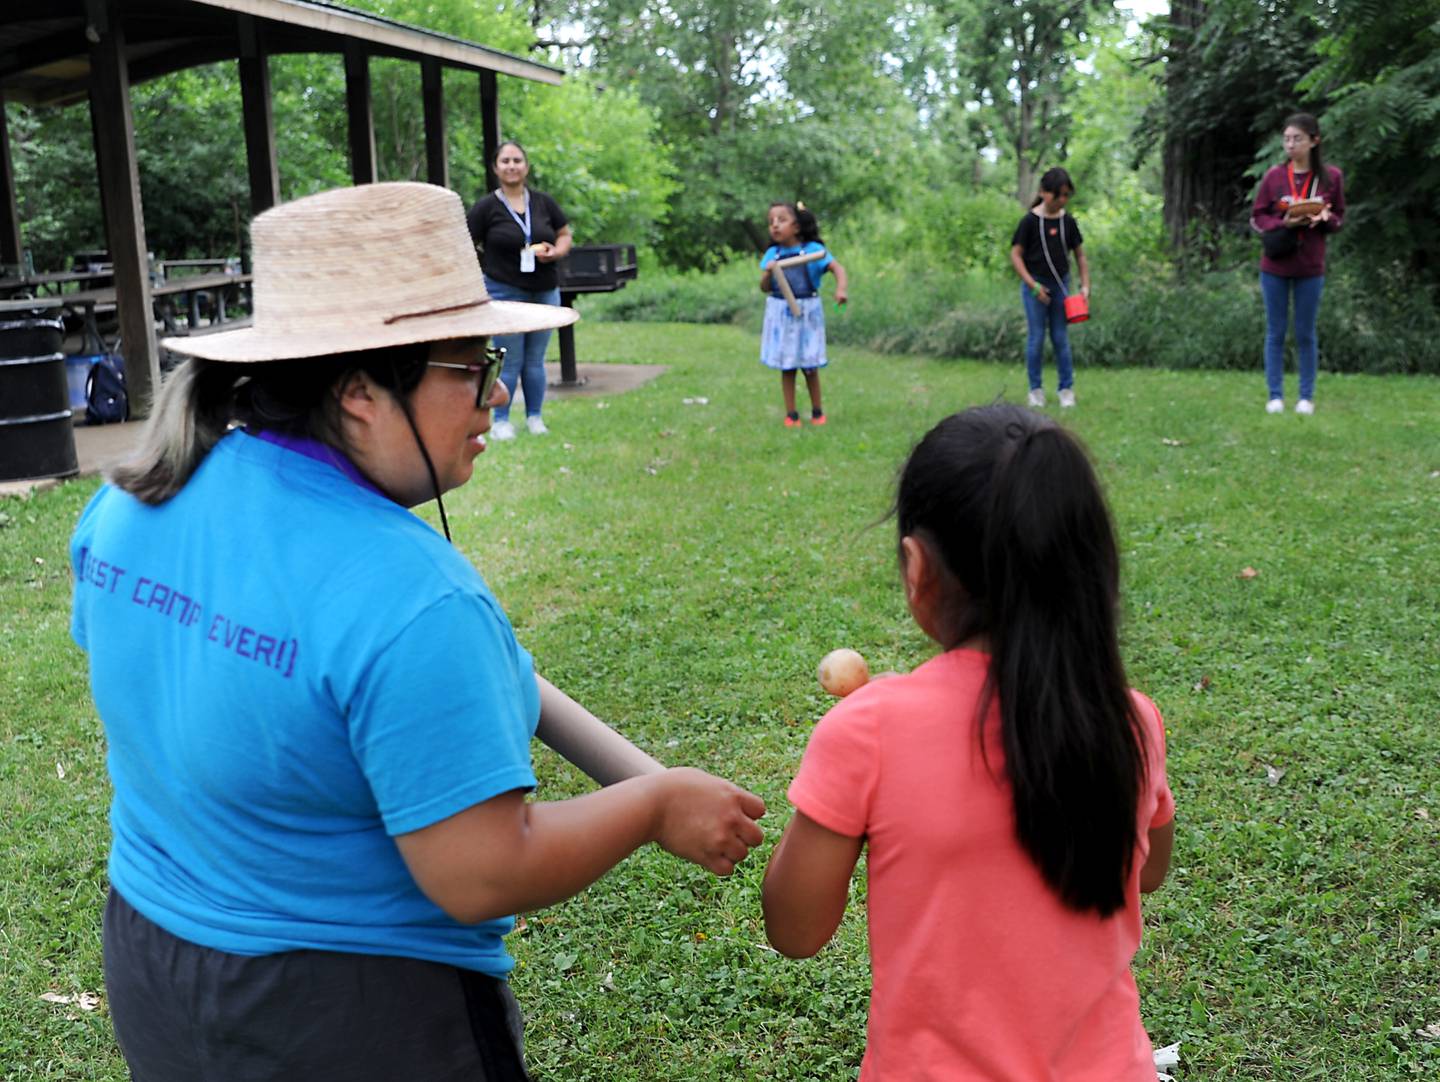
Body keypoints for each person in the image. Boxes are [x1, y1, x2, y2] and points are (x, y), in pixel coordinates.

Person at [71, 182, 765, 1081]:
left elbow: (296, 675)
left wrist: (650, 772)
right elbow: (481, 872)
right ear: (361, 389)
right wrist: (652, 807)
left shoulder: (131, 501)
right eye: (473, 363)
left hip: (153, 963)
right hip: (351, 1016)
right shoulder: (413, 598)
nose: (500, 389)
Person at [763, 404, 1174, 1081]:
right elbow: (1149, 871)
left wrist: (836, 779)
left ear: (916, 568)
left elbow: (796, 929)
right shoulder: (1132, 720)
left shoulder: (868, 731)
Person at [466, 140, 573, 440]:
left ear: (526, 166)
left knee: (535, 360)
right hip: (504, 292)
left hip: (544, 291)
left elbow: (564, 234)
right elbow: (466, 241)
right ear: (495, 168)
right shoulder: (486, 207)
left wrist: (556, 252)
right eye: (505, 161)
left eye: (517, 160)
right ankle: (500, 421)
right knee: (509, 360)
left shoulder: (543, 202)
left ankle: (535, 417)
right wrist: (480, 270)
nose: (511, 166)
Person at [1250, 112, 1345, 415]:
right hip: (1275, 265)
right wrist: (1285, 221)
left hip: (1310, 266)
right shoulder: (1275, 177)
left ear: (1314, 141)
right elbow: (1258, 216)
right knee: (1275, 331)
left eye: (1298, 139)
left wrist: (1325, 219)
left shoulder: (1332, 177)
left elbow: (1340, 217)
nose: (1291, 145)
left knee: (1305, 332)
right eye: (1287, 139)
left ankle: (1306, 396)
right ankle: (1275, 395)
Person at [759, 201, 849, 427]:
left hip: (808, 313)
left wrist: (841, 289)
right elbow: (764, 287)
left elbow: (837, 268)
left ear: (797, 226)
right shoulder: (773, 254)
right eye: (771, 222)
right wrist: (768, 272)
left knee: (810, 366)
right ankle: (791, 414)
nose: (775, 226)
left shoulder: (813, 251)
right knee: (787, 367)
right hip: (781, 314)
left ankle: (817, 411)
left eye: (781, 220)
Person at [1009, 167, 1091, 409]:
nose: (1062, 200)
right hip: (1035, 286)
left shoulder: (1068, 222)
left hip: (1060, 285)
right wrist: (1033, 286)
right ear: (1044, 193)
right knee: (1036, 338)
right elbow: (1015, 255)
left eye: (1066, 195)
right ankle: (1035, 391)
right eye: (1058, 195)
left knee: (1060, 338)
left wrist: (1085, 286)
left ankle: (1066, 389)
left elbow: (1080, 256)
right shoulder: (1029, 222)